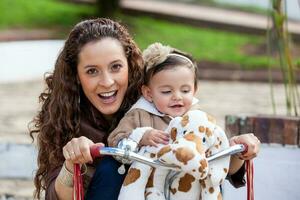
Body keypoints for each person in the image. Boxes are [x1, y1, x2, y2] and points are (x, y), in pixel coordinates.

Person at [29, 18, 260, 200]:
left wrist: (237, 149)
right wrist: (72, 163)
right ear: (76, 76)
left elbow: (214, 159)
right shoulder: (65, 120)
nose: (107, 82)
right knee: (113, 166)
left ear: (130, 66)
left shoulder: (155, 100)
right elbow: (57, 196)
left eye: (116, 67)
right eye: (92, 71)